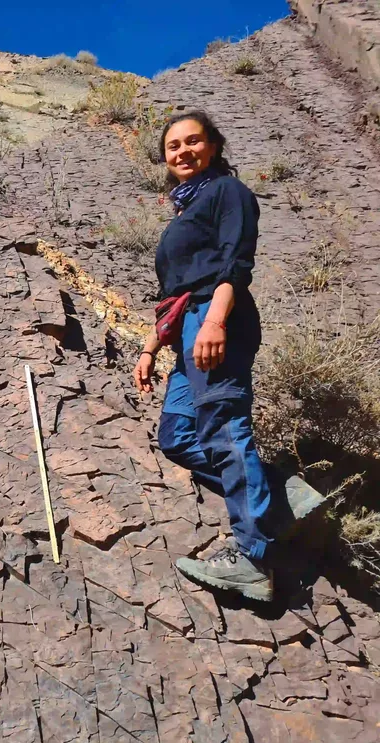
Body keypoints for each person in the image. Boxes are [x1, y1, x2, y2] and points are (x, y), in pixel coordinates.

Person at [133, 110, 282, 602]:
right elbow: (173, 291)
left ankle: (253, 556)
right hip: (185, 331)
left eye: (193, 142)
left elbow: (236, 261)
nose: (182, 152)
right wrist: (153, 345)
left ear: (213, 146)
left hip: (216, 320)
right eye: (173, 146)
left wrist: (216, 319)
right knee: (177, 436)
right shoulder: (185, 211)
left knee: (222, 427)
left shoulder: (227, 193)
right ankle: (270, 494)